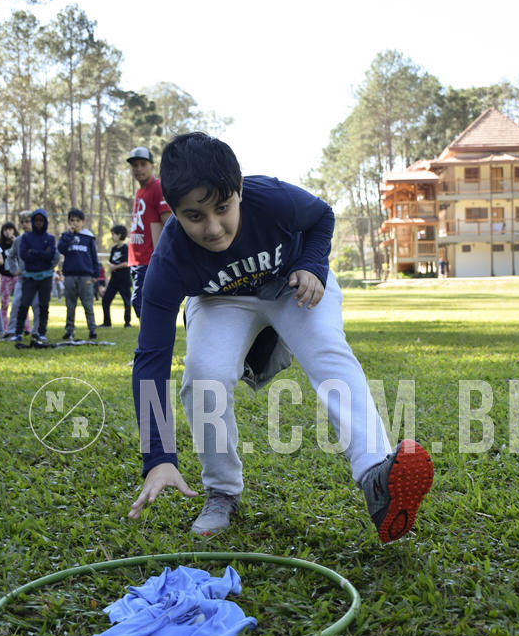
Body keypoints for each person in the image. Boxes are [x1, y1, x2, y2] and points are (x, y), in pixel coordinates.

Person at [128, 133, 434, 542]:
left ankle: (376, 476)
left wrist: (311, 264)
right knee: (204, 373)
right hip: (222, 301)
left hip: (293, 284)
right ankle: (221, 491)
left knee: (329, 353)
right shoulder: (169, 260)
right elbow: (151, 358)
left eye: (222, 207)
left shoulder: (270, 197)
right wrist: (158, 457)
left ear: (239, 191)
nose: (214, 228)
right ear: (174, 213)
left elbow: (322, 216)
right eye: (194, 216)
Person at [127, 147, 171, 318]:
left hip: (149, 259)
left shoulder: (157, 187)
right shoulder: (140, 191)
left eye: (143, 164)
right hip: (137, 258)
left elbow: (167, 223)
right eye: (135, 165)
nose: (138, 169)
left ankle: (152, 342)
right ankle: (150, 341)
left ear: (152, 166)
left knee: (141, 303)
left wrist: (161, 258)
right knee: (140, 303)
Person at [12, 209, 56, 344]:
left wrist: (34, 252)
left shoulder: (50, 238)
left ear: (45, 222)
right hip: (29, 276)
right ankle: (18, 332)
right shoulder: (26, 238)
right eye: (36, 220)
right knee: (23, 304)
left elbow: (51, 256)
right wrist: (42, 253)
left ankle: (41, 332)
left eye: (41, 220)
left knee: (43, 305)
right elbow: (24, 255)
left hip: (46, 277)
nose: (38, 223)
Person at [58, 208, 100, 341]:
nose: (74, 223)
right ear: (68, 222)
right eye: (72, 221)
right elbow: (61, 249)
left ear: (83, 222)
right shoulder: (65, 236)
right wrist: (69, 235)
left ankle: (92, 329)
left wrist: (95, 275)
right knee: (70, 305)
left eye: (77, 221)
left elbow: (94, 257)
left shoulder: (88, 237)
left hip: (85, 276)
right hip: (70, 276)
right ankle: (69, 330)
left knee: (88, 304)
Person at [6, 211, 39, 337]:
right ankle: (11, 331)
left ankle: (36, 332)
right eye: (22, 222)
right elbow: (11, 256)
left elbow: (52, 256)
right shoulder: (18, 240)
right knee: (16, 305)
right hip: (22, 280)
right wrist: (15, 270)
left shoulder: (40, 238)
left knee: (37, 306)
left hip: (37, 279)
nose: (25, 224)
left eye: (27, 221)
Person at [100, 224, 132, 328]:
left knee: (127, 301)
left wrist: (116, 267)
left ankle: (127, 323)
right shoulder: (114, 249)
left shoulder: (125, 248)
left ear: (119, 235)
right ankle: (107, 323)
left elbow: (127, 262)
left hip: (124, 279)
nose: (112, 236)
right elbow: (110, 263)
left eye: (113, 234)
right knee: (106, 300)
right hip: (114, 280)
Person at [0, 222, 19, 334]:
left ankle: (25, 327)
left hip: (17, 276)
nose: (8, 232)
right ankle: (4, 328)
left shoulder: (18, 242)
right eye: (5, 230)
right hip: (5, 277)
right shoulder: (0, 245)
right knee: (4, 303)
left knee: (20, 302)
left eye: (10, 229)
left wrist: (16, 242)